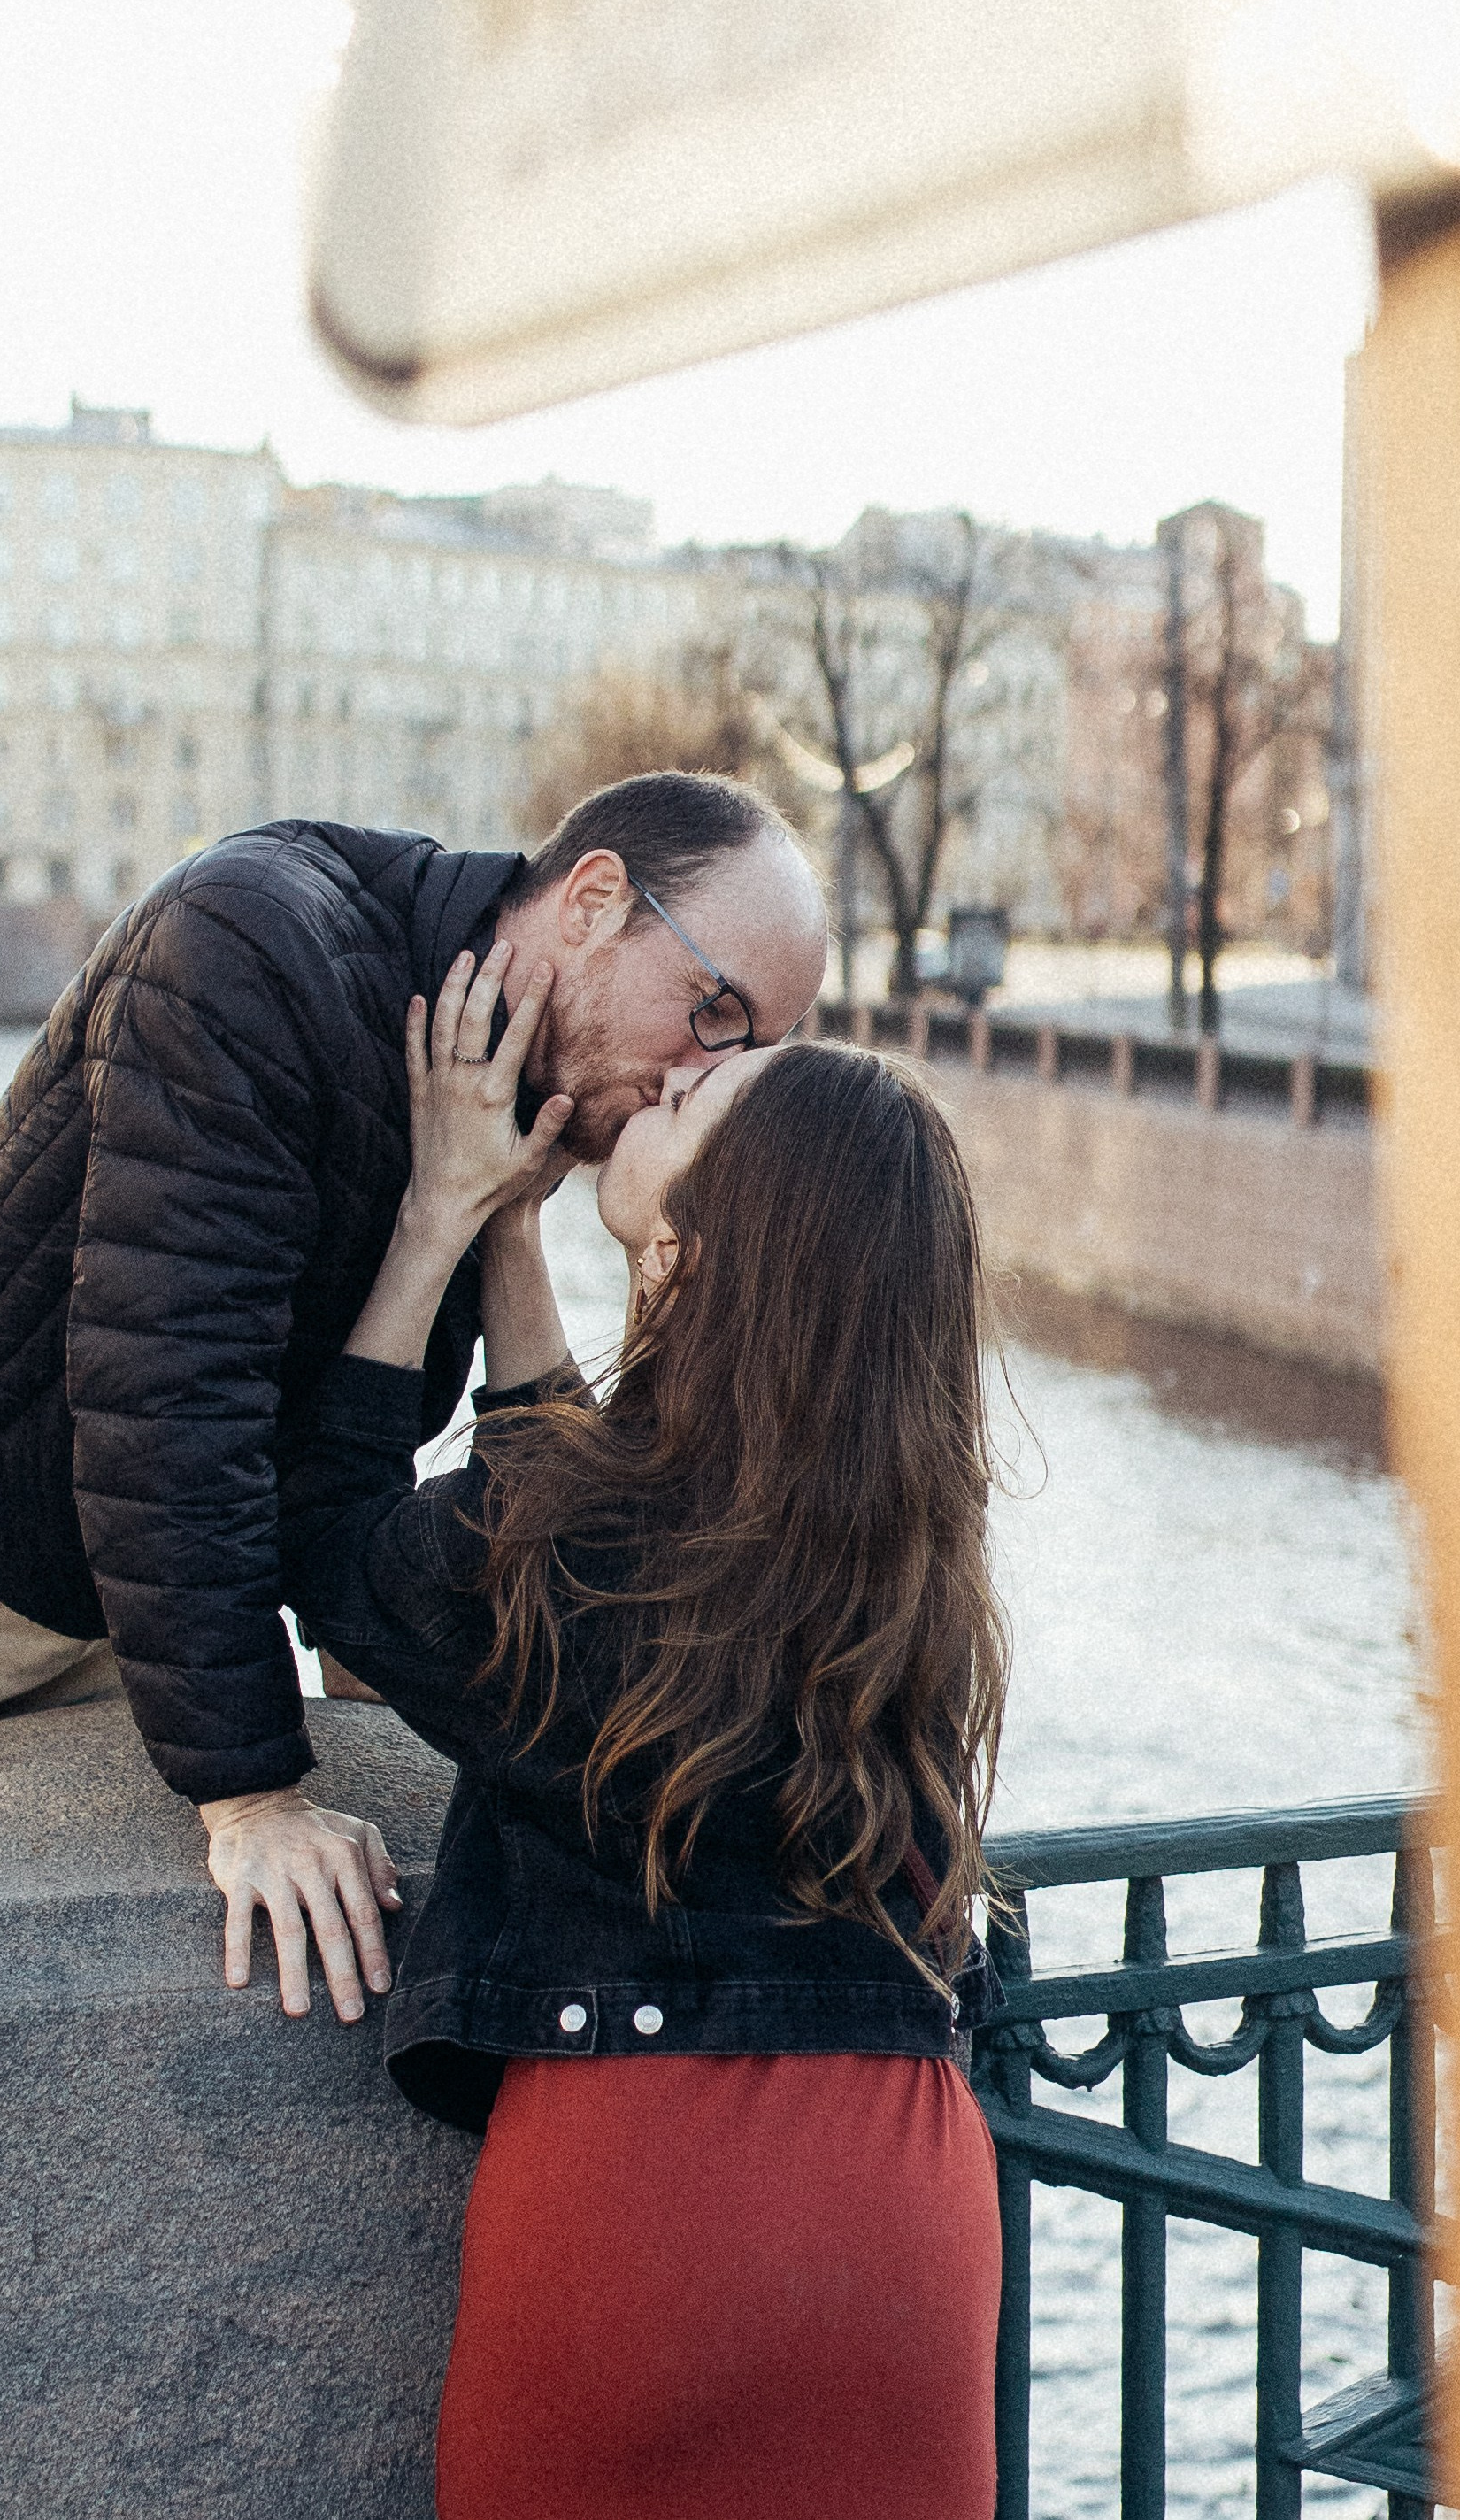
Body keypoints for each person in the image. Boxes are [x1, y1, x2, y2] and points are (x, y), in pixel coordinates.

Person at [0, 771, 831, 2013]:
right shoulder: (252, 945)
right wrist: (251, 1793)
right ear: (593, 898)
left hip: (152, 1592)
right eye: (714, 1009)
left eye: (758, 1046)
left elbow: (452, 1492)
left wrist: (368, 1640)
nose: (712, 1076)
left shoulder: (500, 1080)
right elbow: (167, 1396)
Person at [280, 951, 1010, 2520]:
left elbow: (344, 1553)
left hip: (645, 2196)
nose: (676, 1074)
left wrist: (429, 1222)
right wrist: (515, 1239)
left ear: (722, 1229)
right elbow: (571, 1521)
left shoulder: (599, 1545)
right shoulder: (897, 1555)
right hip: (905, 2200)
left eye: (707, 1093)